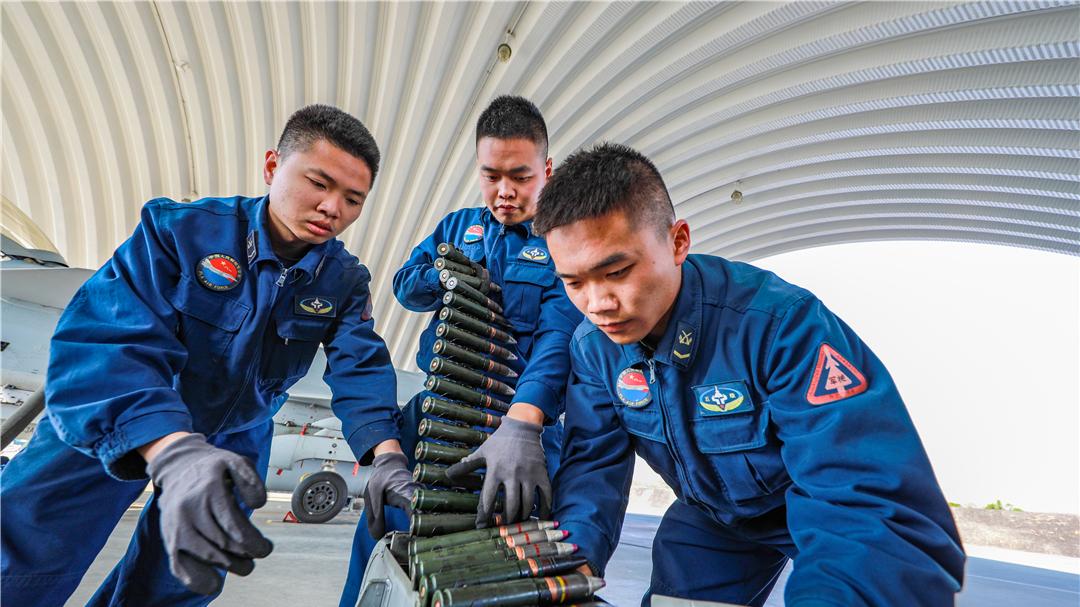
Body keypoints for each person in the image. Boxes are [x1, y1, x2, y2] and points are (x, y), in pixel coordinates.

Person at [0, 104, 405, 607]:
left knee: (173, 588)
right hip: (116, 421)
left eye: (352, 199)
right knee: (21, 567)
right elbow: (110, 342)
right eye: (318, 183)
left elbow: (359, 365)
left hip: (234, 441)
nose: (332, 208)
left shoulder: (342, 280)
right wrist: (169, 449)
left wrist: (386, 455)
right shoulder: (179, 231)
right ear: (272, 166)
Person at [532, 143, 966, 606]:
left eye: (616, 271)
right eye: (574, 282)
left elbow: (865, 503)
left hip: (812, 502)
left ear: (678, 242)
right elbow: (593, 465)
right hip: (714, 519)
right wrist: (572, 565)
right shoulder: (594, 347)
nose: (597, 304)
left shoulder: (780, 327)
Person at [339, 95, 582, 606]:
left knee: (488, 565)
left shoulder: (565, 242)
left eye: (520, 176)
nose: (504, 191)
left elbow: (558, 342)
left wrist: (524, 425)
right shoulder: (457, 228)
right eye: (491, 175)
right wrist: (442, 277)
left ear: (548, 169)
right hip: (435, 415)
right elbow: (406, 285)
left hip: (517, 427)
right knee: (384, 543)